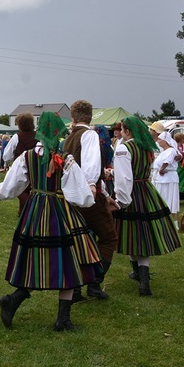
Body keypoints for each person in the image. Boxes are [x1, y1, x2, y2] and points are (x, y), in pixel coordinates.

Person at [0, 112, 100, 331]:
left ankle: (13, 300)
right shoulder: (65, 157)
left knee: (36, 257)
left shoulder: (28, 156)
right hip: (59, 211)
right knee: (69, 262)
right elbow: (77, 188)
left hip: (34, 211)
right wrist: (89, 197)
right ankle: (62, 319)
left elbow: (13, 183)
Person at [111, 116, 181, 296]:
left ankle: (140, 276)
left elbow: (124, 178)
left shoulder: (124, 148)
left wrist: (121, 200)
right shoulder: (146, 147)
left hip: (131, 193)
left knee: (131, 233)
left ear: (127, 131)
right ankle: (142, 279)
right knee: (142, 235)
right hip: (146, 192)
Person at [61, 101, 118, 302]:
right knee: (109, 238)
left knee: (80, 241)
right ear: (90, 117)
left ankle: (76, 290)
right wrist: (93, 186)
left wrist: (107, 195)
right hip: (88, 196)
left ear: (73, 118)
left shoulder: (67, 139)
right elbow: (91, 164)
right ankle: (93, 281)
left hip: (70, 198)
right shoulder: (90, 135)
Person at [3, 112, 38, 215]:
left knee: (20, 190)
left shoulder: (17, 137)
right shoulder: (39, 136)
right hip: (36, 168)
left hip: (21, 167)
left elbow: (7, 155)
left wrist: (8, 163)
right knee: (32, 189)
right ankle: (22, 211)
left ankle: (32, 209)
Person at [151, 138, 180, 228]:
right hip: (160, 179)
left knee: (169, 200)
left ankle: (174, 223)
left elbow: (167, 161)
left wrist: (162, 169)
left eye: (160, 139)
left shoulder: (171, 150)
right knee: (161, 199)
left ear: (165, 141)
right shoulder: (164, 151)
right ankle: (162, 221)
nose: (158, 141)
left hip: (168, 179)